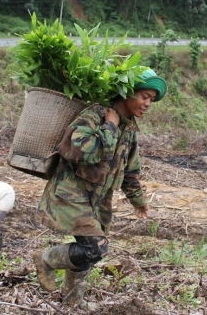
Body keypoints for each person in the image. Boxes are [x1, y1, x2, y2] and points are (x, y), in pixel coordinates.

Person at [34, 68, 166, 306]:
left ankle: (72, 301)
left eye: (152, 100)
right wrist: (110, 128)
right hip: (71, 194)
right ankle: (45, 260)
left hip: (97, 199)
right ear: (126, 92)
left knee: (89, 249)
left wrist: (138, 200)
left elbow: (130, 171)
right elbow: (78, 151)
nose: (148, 103)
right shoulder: (95, 115)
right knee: (95, 248)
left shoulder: (129, 130)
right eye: (144, 96)